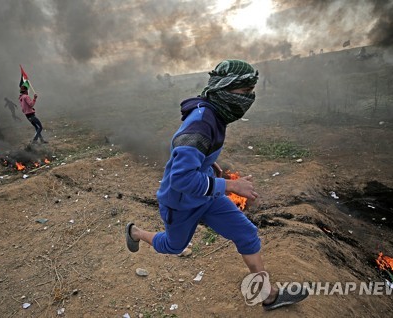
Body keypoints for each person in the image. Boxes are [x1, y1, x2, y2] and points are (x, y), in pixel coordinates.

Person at [125, 59, 308, 311]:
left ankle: (269, 295)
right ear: (224, 88)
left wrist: (209, 164)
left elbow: (196, 154)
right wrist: (232, 186)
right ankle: (135, 232)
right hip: (180, 202)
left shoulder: (214, 112)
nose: (249, 98)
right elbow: (181, 179)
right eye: (244, 92)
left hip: (206, 196)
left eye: (251, 91)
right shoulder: (202, 122)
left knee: (246, 233)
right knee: (173, 245)